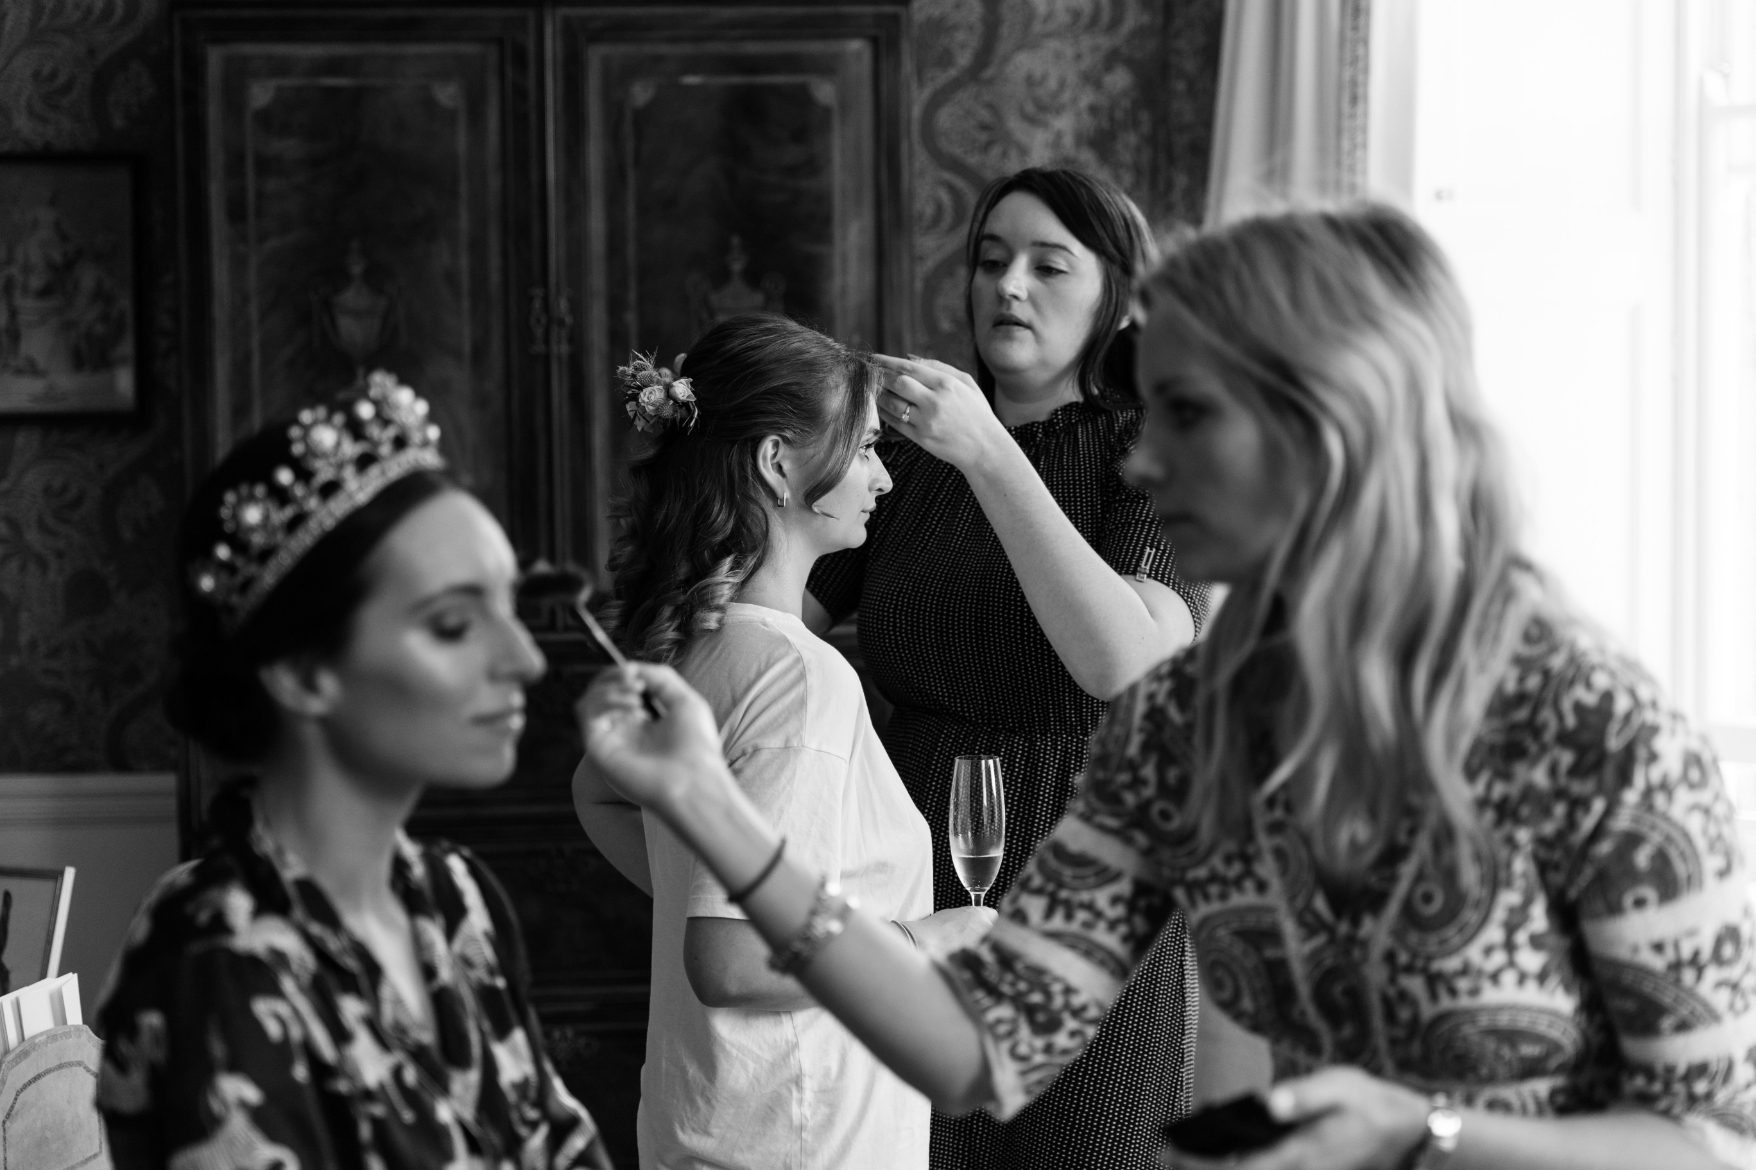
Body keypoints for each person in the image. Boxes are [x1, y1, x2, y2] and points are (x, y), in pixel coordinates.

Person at [576, 206, 1756, 1170]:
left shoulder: (1592, 724)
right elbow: (978, 1049)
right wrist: (715, 813)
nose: (1140, 459)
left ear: (1327, 420)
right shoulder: (1185, 723)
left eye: (1185, 413)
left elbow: (1714, 1138)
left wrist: (1423, 1135)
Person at [95, 371, 612, 1170]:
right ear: (303, 671)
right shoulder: (216, 964)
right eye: (453, 625)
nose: (526, 659)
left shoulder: (454, 896)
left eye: (511, 607)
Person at [804, 166, 1211, 1168]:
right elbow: (784, 612)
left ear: (1117, 295)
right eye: (990, 261)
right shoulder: (903, 457)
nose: (1008, 285)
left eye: (1047, 265)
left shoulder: (1157, 452)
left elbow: (1125, 663)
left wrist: (990, 452)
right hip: (908, 875)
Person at [571, 315, 995, 1170]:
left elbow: (598, 789)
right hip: (798, 1142)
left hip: (708, 1131)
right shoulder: (801, 677)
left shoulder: (695, 644)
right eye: (866, 447)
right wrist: (923, 942)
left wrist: (708, 893)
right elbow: (729, 962)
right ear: (776, 463)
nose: (883, 477)